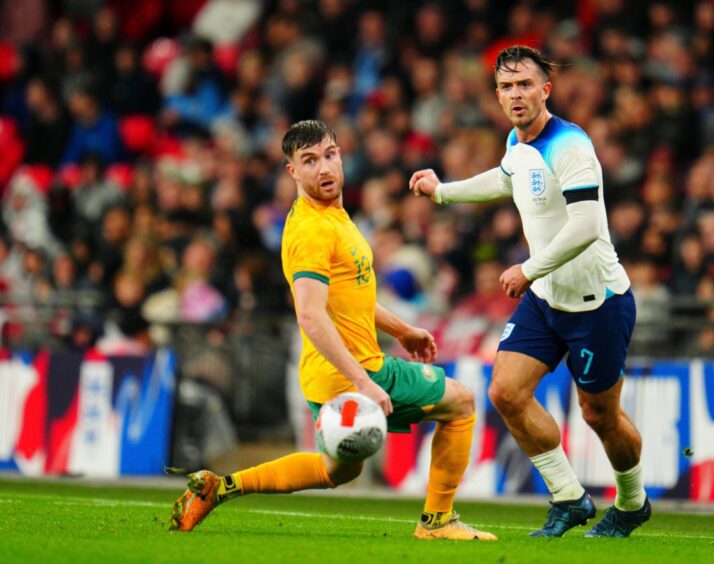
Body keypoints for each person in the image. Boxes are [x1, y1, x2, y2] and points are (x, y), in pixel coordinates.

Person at [170, 120, 496, 541]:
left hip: (325, 374)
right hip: (356, 369)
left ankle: (221, 487)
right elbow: (310, 315)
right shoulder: (310, 231)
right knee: (461, 403)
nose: (323, 169)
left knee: (337, 470)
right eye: (309, 161)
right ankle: (437, 521)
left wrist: (403, 329)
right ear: (292, 172)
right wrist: (364, 382)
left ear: (341, 155)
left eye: (328, 155)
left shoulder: (333, 215)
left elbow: (349, 296)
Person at [409, 46, 650, 538]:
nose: (515, 95)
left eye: (524, 85)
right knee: (505, 391)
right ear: (496, 94)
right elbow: (506, 178)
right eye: (505, 86)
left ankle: (632, 502)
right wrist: (443, 191)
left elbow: (586, 224)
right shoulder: (517, 142)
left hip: (597, 302)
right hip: (547, 298)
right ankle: (569, 497)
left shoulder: (571, 146)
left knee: (599, 415)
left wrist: (528, 268)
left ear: (546, 89)